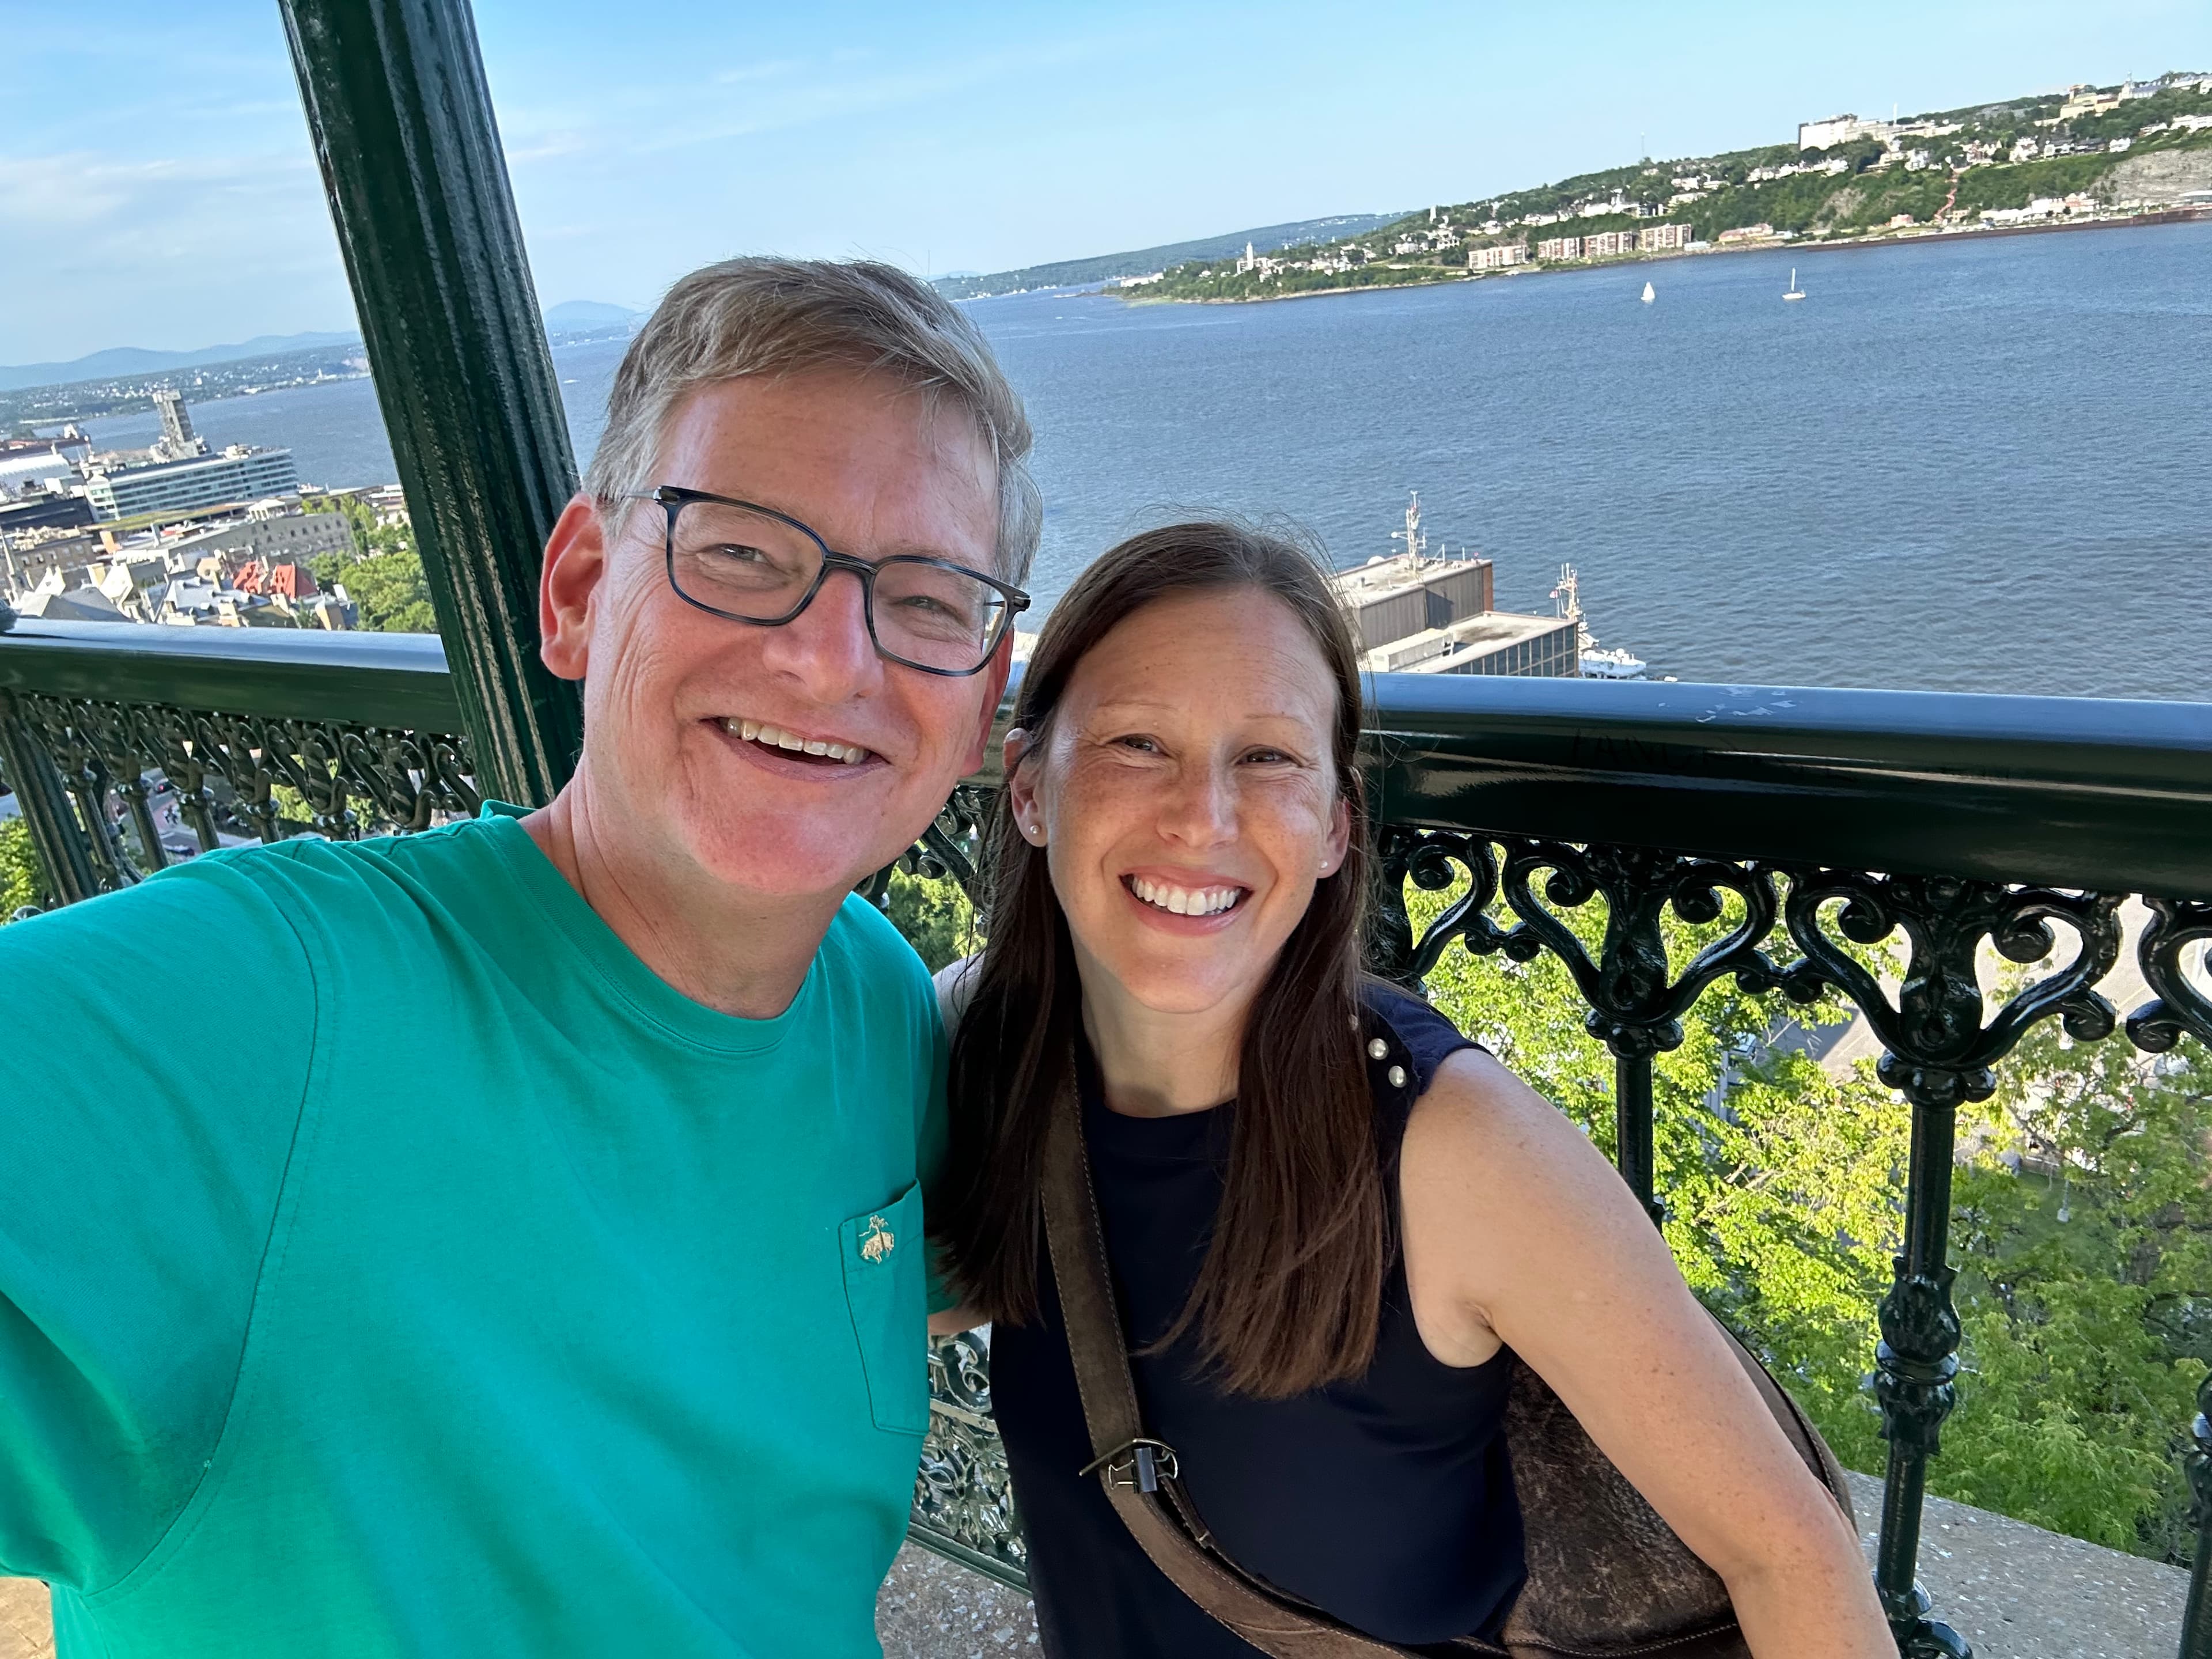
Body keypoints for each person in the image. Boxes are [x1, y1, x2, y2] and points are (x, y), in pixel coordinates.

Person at [0, 257, 1036, 1658]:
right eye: (738, 550)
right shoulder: (263, 1011)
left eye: (924, 599)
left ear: (978, 714)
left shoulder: (869, 996)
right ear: (578, 593)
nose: (826, 656)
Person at [927, 522, 1892, 1658]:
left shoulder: (1451, 1149)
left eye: (1271, 757)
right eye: (1140, 743)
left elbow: (1791, 1557)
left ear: (1337, 827)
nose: (1206, 818)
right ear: (1031, 788)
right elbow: (838, 1307)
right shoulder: (978, 1045)